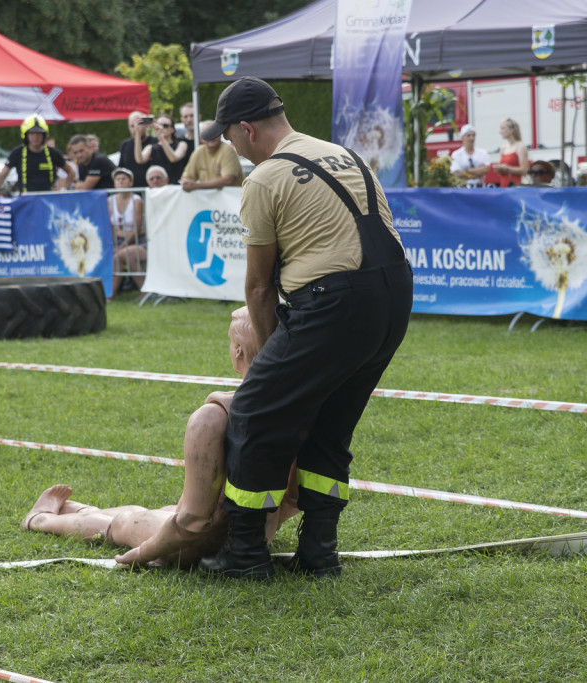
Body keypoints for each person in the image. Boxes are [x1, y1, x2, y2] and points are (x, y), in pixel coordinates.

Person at [197, 76, 413, 579]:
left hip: (334, 300)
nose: (232, 147)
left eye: (230, 138)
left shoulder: (264, 178)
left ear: (247, 129)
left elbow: (257, 288)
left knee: (254, 411)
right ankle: (320, 552)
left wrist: (272, 363)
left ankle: (245, 554)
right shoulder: (342, 153)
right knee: (332, 421)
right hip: (394, 295)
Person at [22, 307, 299, 567]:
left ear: (239, 352)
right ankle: (83, 510)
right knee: (157, 512)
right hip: (256, 539)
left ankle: (40, 520)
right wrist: (266, 528)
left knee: (121, 523)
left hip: (194, 546)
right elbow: (292, 499)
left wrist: (144, 552)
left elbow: (193, 522)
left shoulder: (212, 418)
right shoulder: (298, 407)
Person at [0, 115, 74, 196]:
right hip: (26, 201)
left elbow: (71, 172)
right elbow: (2, 175)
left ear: (44, 135)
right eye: (32, 133)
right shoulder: (17, 153)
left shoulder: (53, 153)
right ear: (26, 135)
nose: (35, 137)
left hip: (48, 200)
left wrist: (63, 189)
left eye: (39, 133)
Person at [110, 167, 146, 295]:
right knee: (117, 256)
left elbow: (137, 228)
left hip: (138, 240)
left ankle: (145, 291)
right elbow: (109, 226)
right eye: (117, 179)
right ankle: (110, 295)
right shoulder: (110, 200)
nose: (120, 182)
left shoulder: (136, 200)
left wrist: (122, 244)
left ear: (131, 183)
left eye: (124, 179)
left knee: (125, 255)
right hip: (117, 240)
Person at [180, 121, 243, 192]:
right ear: (201, 138)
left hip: (232, 200)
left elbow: (228, 180)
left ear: (219, 135)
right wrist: (187, 183)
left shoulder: (227, 150)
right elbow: (186, 177)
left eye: (214, 133)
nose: (211, 137)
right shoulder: (198, 151)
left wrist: (197, 186)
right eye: (207, 134)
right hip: (209, 201)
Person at [137, 113, 189, 184]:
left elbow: (173, 158)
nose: (161, 128)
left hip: (176, 187)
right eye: (158, 125)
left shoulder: (181, 144)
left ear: (172, 129)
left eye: (165, 126)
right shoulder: (152, 147)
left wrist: (161, 138)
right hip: (159, 188)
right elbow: (140, 160)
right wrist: (138, 134)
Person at [118, 112, 155, 189]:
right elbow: (122, 168)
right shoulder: (125, 145)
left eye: (138, 125)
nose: (135, 129)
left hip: (151, 189)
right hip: (131, 191)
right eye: (132, 126)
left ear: (146, 125)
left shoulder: (155, 143)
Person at [493, 118, 528, 187]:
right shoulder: (503, 148)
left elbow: (524, 170)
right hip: (504, 184)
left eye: (503, 128)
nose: (500, 132)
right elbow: (501, 173)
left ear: (511, 130)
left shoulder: (521, 146)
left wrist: (507, 168)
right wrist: (499, 169)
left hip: (516, 185)